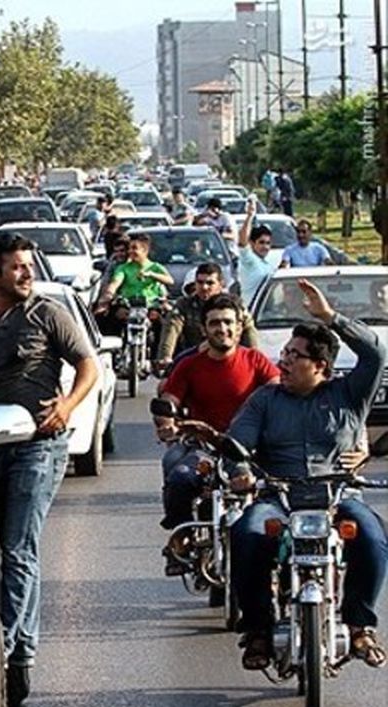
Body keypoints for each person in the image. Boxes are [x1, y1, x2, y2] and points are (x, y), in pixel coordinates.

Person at [0, 232, 99, 707]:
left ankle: (13, 655)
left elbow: (88, 365)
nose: (27, 274)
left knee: (19, 547)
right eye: (17, 267)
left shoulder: (48, 313)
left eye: (29, 265)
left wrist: (68, 405)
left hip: (40, 445)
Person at [226, 280, 388, 670]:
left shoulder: (349, 394)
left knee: (372, 538)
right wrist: (241, 470)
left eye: (295, 355)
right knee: (245, 533)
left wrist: (330, 318)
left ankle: (360, 625)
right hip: (277, 498)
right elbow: (239, 443)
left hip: (338, 496)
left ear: (321, 366)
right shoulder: (265, 399)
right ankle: (259, 630)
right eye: (284, 352)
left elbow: (376, 354)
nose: (283, 361)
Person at [153, 294, 279, 573]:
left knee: (278, 489)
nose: (222, 329)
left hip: (249, 449)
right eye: (215, 323)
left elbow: (280, 392)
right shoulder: (189, 365)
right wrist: (166, 422)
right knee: (180, 475)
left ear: (239, 326)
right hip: (203, 447)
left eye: (228, 322)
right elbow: (169, 401)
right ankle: (182, 538)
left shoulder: (256, 360)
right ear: (204, 328)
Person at [155, 262, 258, 373]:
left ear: (220, 284)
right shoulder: (184, 305)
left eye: (210, 283)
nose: (204, 287)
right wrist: (165, 357)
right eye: (200, 282)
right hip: (193, 361)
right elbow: (172, 328)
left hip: (229, 361)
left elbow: (248, 329)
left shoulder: (234, 304)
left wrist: (253, 357)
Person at [94, 232, 173, 332]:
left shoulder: (155, 267)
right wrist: (107, 296)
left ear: (145, 250)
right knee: (104, 318)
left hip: (151, 306)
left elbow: (170, 281)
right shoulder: (123, 268)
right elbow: (114, 283)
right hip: (129, 306)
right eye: (130, 248)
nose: (130, 251)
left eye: (134, 248)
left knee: (167, 322)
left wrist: (152, 275)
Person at [236, 196, 278, 300]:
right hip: (250, 310)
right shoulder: (249, 260)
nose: (265, 247)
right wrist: (250, 216)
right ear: (252, 243)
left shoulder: (268, 264)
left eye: (268, 243)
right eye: (261, 243)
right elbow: (242, 242)